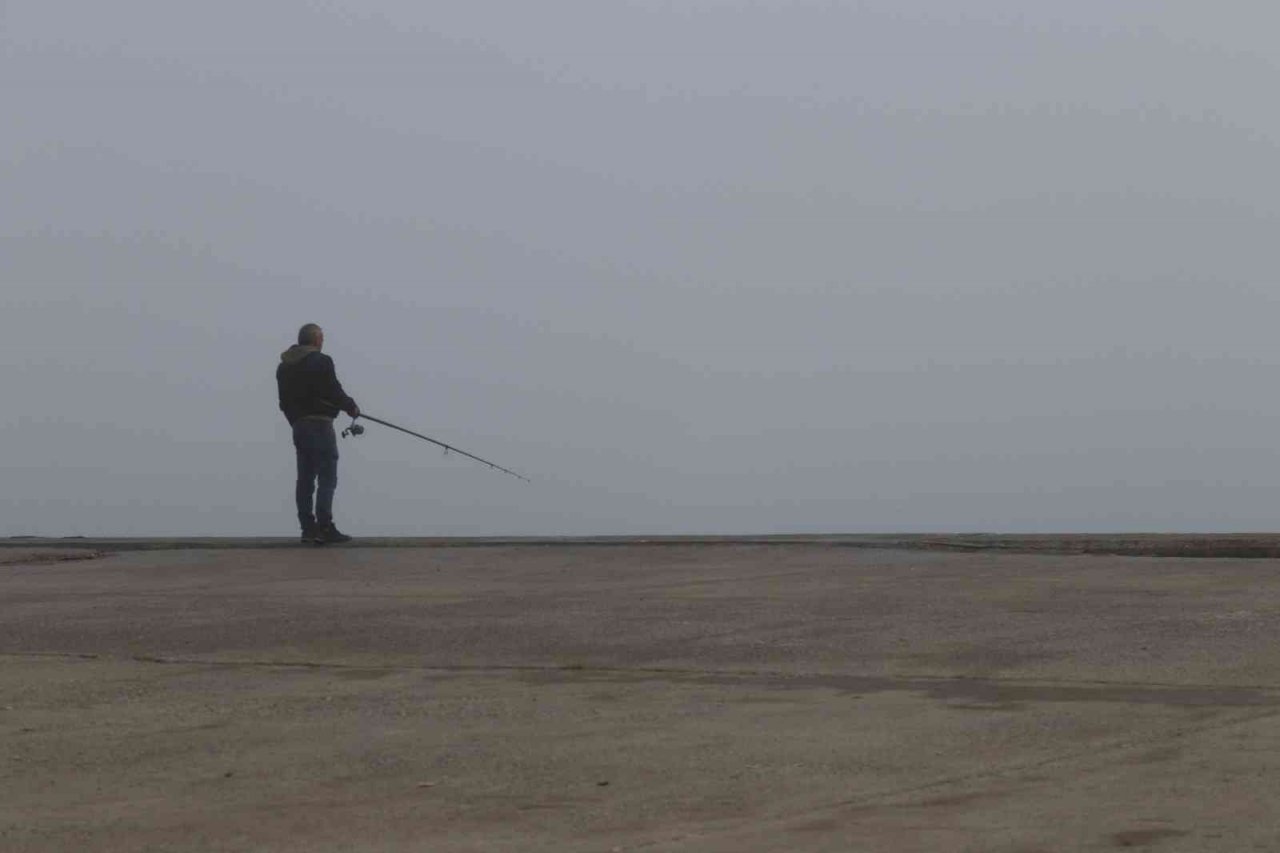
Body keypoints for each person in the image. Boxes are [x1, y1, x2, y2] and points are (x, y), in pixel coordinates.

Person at [276, 323, 359, 544]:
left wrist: (296, 420)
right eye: (321, 338)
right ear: (315, 340)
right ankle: (325, 527)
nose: (323, 342)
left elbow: (283, 403)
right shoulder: (321, 361)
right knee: (327, 476)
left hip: (299, 426)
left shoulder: (283, 367)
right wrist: (351, 407)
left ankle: (308, 529)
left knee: (305, 478)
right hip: (321, 425)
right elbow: (334, 391)